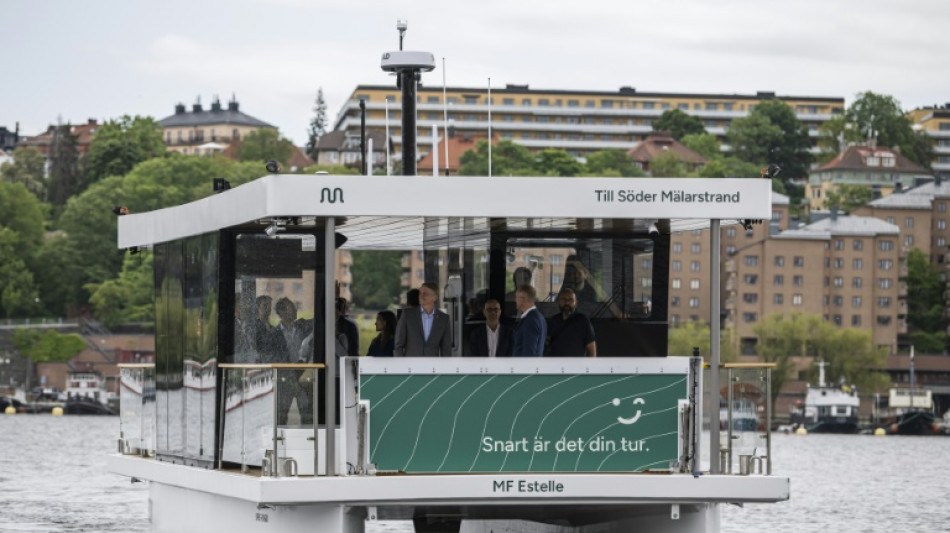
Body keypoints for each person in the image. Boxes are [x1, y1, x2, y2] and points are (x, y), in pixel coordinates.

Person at [394, 282, 453, 357]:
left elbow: (446, 349)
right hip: (410, 363)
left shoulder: (443, 319)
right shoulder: (407, 315)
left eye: (425, 293)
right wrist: (401, 363)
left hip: (432, 364)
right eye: (420, 293)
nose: (421, 296)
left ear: (434, 298)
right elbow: (398, 345)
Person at [546, 288, 597, 357]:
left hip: (576, 363)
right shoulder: (553, 320)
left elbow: (591, 350)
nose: (567, 302)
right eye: (563, 299)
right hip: (555, 363)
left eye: (570, 300)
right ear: (559, 302)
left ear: (576, 303)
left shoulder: (583, 321)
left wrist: (590, 364)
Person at [512, 284, 546, 357]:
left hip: (525, 364)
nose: (515, 300)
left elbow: (529, 353)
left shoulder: (530, 320)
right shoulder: (539, 317)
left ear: (522, 299)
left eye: (516, 297)